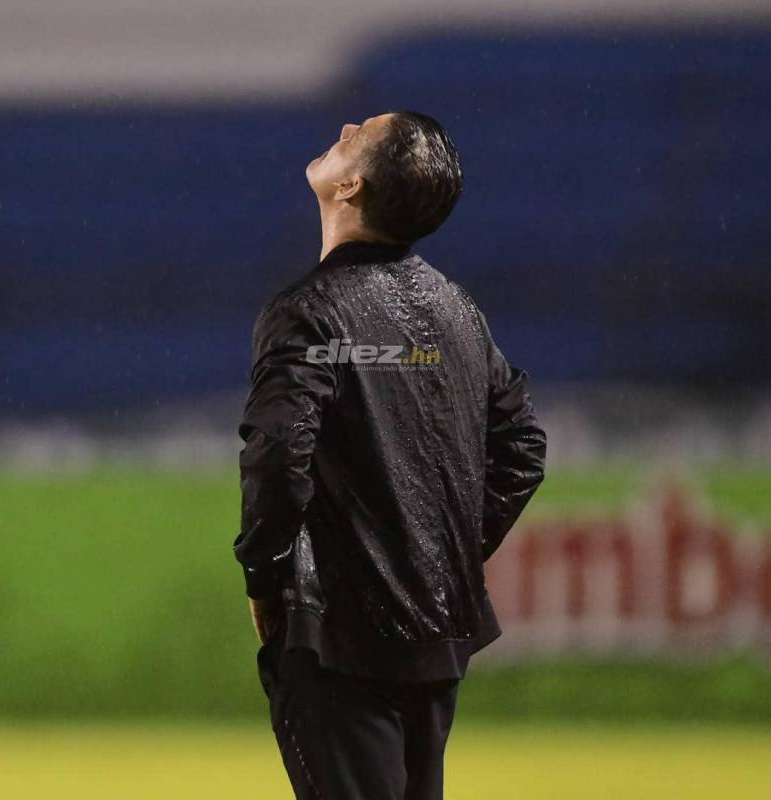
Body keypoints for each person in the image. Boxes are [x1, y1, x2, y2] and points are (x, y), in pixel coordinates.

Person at [233, 111, 547, 800]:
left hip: (338, 639)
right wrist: (438, 555)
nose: (345, 126)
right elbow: (522, 449)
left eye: (359, 134)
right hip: (435, 634)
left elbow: (279, 453)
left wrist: (266, 575)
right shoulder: (457, 311)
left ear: (351, 188)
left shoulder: (308, 312)